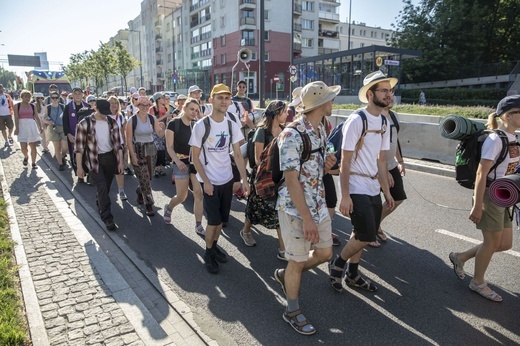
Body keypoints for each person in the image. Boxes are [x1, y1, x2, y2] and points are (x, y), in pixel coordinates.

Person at [273, 81, 337, 335]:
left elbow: (315, 169)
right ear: (320, 104)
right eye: (331, 99)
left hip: (317, 204)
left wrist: (327, 163)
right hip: (295, 209)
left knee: (325, 254)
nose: (334, 102)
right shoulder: (291, 134)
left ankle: (287, 273)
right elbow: (291, 180)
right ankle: (292, 310)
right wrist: (307, 218)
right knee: (298, 260)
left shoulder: (320, 129)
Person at [328, 70, 395, 294]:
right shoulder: (357, 120)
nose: (389, 94)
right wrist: (344, 195)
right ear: (370, 94)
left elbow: (382, 160)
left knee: (362, 233)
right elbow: (345, 161)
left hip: (373, 186)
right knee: (367, 234)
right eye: (384, 90)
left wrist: (387, 192)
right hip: (356, 185)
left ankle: (353, 274)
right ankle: (338, 265)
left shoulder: (384, 121)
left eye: (390, 90)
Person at [449, 95, 520, 302]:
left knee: (504, 243)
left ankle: (460, 257)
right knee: (491, 242)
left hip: (505, 196)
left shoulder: (515, 138)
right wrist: (478, 205)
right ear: (508, 115)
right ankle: (477, 282)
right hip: (490, 196)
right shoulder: (495, 139)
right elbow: (481, 174)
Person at [189, 84, 250, 274]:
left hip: (227, 179)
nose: (224, 101)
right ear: (211, 100)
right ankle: (208, 253)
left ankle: (214, 246)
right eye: (220, 98)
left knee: (222, 221)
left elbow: (238, 155)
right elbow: (195, 157)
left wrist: (245, 180)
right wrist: (205, 181)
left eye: (226, 98)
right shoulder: (202, 125)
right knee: (213, 221)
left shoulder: (231, 124)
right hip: (209, 181)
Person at [241, 100, 287, 260]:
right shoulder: (262, 132)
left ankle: (283, 249)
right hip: (262, 177)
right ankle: (246, 231)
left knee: (278, 211)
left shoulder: (284, 131)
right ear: (277, 113)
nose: (287, 114)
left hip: (278, 178)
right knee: (254, 207)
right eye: (285, 111)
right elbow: (258, 158)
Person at [75, 99, 124, 231]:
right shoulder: (84, 123)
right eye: (102, 112)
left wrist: (120, 162)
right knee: (101, 186)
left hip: (110, 158)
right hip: (93, 160)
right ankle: (107, 218)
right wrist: (79, 167)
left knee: (106, 187)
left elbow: (118, 145)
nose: (104, 115)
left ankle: (100, 202)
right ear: (95, 108)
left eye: (106, 112)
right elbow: (79, 148)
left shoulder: (112, 122)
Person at [368, 92, 407, 248]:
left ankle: (375, 224)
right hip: (374, 166)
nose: (390, 97)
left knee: (397, 198)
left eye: (392, 93)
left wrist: (400, 161)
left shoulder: (394, 116)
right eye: (386, 93)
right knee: (372, 203)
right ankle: (367, 232)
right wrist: (383, 173)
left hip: (390, 164)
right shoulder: (374, 118)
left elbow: (395, 139)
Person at [163, 98, 204, 236]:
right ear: (184, 108)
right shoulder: (174, 124)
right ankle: (169, 208)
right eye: (192, 109)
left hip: (194, 162)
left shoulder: (196, 125)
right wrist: (177, 162)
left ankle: (198, 225)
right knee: (182, 196)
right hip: (180, 162)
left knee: (199, 193)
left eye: (197, 110)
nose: (194, 112)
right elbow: (169, 147)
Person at [126, 96, 166, 216]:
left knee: (149, 177)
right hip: (138, 149)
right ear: (137, 106)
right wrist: (132, 156)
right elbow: (128, 140)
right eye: (142, 105)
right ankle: (149, 204)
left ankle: (140, 191)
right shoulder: (132, 120)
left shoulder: (152, 118)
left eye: (147, 105)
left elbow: (159, 134)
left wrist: (163, 129)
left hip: (151, 149)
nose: (145, 108)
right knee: (144, 177)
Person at [63, 87, 89, 177]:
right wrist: (68, 134)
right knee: (74, 155)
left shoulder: (87, 106)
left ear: (82, 95)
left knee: (86, 154)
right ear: (72, 95)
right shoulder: (68, 107)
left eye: (79, 94)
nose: (77, 96)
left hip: (86, 136)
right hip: (73, 135)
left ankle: (88, 173)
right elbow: (65, 122)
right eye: (75, 94)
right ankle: (78, 174)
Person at [14, 90, 42, 169]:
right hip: (22, 125)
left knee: (33, 145)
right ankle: (26, 156)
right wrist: (17, 128)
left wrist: (40, 127)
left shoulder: (33, 106)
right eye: (25, 96)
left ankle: (33, 163)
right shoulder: (17, 106)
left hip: (31, 125)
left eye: (29, 97)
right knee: (23, 146)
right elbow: (16, 117)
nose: (27, 98)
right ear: (22, 97)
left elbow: (36, 117)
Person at [108, 96, 128, 201]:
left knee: (120, 169)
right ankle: (107, 190)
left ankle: (121, 190)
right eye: (111, 103)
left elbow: (123, 132)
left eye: (116, 103)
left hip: (119, 146)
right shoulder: (104, 116)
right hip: (106, 147)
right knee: (108, 170)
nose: (114, 105)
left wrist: (124, 144)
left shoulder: (120, 116)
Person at [44, 91, 68, 171]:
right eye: (53, 98)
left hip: (62, 127)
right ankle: (60, 164)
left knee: (65, 146)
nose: (54, 99)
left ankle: (63, 156)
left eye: (56, 97)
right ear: (50, 98)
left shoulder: (62, 106)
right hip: (53, 128)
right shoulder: (48, 107)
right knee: (57, 147)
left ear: (58, 98)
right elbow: (44, 118)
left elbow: (66, 117)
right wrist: (49, 122)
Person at [149, 92, 169, 177]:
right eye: (162, 98)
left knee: (162, 149)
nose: (164, 99)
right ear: (157, 99)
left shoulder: (165, 109)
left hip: (163, 130)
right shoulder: (152, 109)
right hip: (154, 131)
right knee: (156, 150)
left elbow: (167, 119)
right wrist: (164, 116)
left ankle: (160, 168)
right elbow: (152, 120)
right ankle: (155, 169)